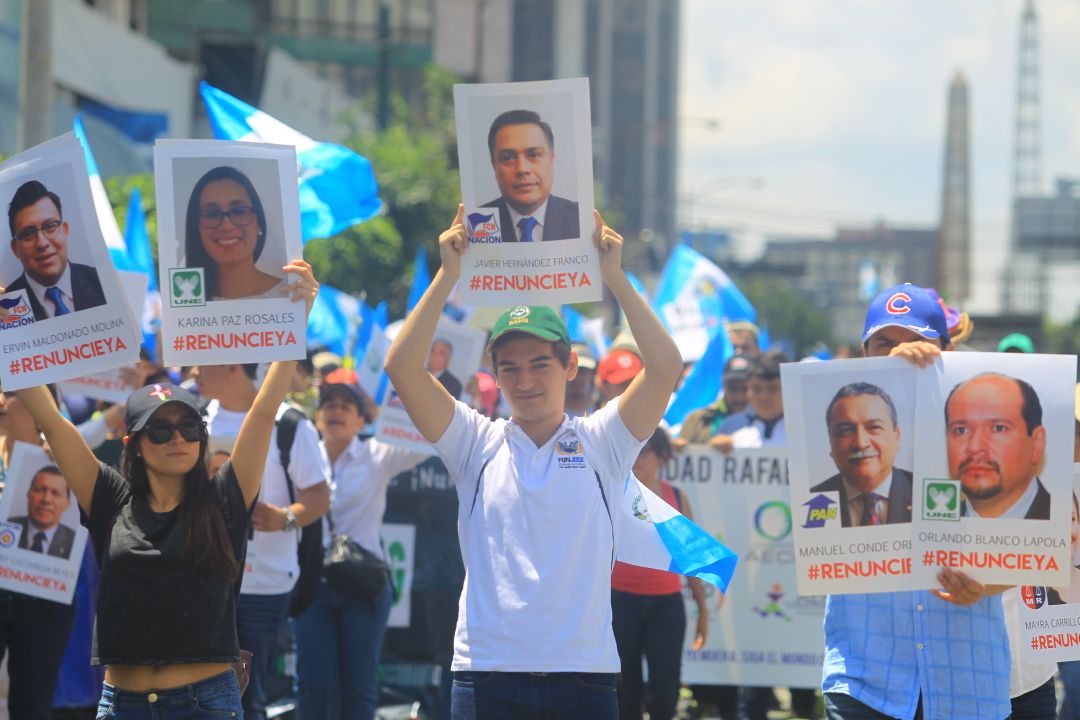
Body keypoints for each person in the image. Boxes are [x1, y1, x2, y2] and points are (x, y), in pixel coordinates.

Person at [384, 206, 682, 719]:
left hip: (584, 678)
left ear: (570, 366)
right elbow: (402, 368)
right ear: (494, 373)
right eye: (510, 368)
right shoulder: (473, 442)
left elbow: (665, 367)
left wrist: (614, 276)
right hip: (486, 675)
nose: (525, 381)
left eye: (540, 364)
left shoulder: (603, 441)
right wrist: (448, 274)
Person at [9, 259, 317, 719]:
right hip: (122, 705)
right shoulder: (109, 497)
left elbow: (264, 409)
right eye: (160, 429)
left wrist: (297, 317)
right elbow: (52, 421)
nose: (178, 438)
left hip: (206, 705)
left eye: (189, 427)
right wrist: (10, 322)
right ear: (132, 445)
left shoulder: (225, 497)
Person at [822, 283, 1015, 720]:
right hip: (865, 680)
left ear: (948, 350)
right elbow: (814, 529)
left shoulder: (989, 440)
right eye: (884, 344)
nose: (901, 352)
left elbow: (1022, 552)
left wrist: (985, 584)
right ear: (863, 352)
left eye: (916, 342)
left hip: (967, 683)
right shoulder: (832, 431)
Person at [191, 360, 331, 720]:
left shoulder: (291, 425)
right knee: (195, 697)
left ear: (233, 366)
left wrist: (286, 518)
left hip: (264, 585)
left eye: (202, 363)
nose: (193, 371)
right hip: (201, 581)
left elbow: (319, 496)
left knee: (247, 698)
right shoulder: (193, 420)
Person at [294, 381, 426, 720]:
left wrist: (381, 415)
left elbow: (426, 441)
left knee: (360, 686)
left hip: (364, 587)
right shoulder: (300, 455)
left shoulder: (377, 453)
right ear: (317, 417)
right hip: (312, 585)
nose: (336, 411)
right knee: (313, 683)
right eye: (329, 405)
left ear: (360, 420)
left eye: (346, 406)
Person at [611, 427, 707, 720]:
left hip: (666, 606)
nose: (638, 456)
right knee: (624, 692)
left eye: (646, 450)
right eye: (634, 449)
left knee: (666, 693)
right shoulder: (613, 491)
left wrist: (703, 611)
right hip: (619, 602)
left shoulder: (675, 496)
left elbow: (690, 558)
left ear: (663, 457)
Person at [944, 372, 1049, 520]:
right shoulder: (925, 522)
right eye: (961, 430)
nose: (975, 447)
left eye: (998, 428)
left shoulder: (1068, 523)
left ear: (1036, 443)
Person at [810, 382, 912, 527]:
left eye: (874, 427)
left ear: (896, 436)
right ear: (831, 442)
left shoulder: (924, 494)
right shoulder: (811, 502)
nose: (860, 443)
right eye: (845, 431)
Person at [5, 179, 105, 320]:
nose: (42, 243)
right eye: (28, 234)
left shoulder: (104, 283)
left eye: (50, 226)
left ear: (65, 230)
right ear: (15, 248)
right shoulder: (4, 307)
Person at [184, 166, 283, 300]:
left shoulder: (287, 295)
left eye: (239, 211)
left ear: (259, 222)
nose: (226, 226)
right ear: (197, 227)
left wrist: (302, 308)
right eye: (211, 214)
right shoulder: (183, 301)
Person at [481, 109, 580, 242]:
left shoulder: (581, 220)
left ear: (552, 159)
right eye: (508, 158)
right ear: (494, 165)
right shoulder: (478, 223)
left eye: (533, 155)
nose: (522, 169)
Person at [678, 355, 751, 446]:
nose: (739, 396)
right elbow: (681, 451)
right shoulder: (697, 419)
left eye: (745, 389)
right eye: (733, 388)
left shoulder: (765, 421)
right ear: (723, 385)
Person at [10, 466, 77, 559]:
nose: (46, 499)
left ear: (67, 504)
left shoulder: (75, 543)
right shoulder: (7, 526)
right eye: (39, 490)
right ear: (28, 494)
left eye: (56, 493)